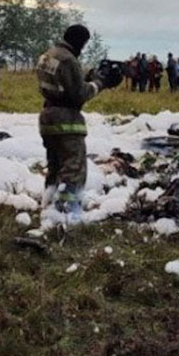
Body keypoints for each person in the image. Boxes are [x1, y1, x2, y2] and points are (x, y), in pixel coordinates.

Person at [36, 24, 122, 220]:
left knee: (55, 165)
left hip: (47, 117)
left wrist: (86, 78)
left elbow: (62, 85)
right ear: (81, 42)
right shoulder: (68, 60)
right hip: (66, 119)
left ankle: (48, 204)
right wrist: (101, 83)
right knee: (73, 167)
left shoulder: (47, 55)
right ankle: (66, 211)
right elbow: (78, 94)